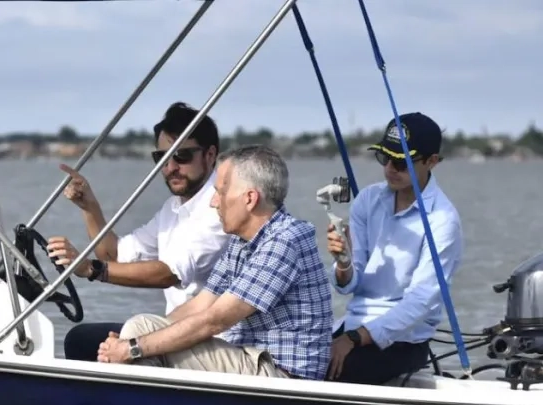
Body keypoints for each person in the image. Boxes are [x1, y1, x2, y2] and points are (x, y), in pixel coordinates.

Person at [95, 145, 334, 380]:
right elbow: (200, 305)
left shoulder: (284, 241)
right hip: (249, 359)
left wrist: (132, 347)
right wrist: (132, 343)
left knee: (141, 333)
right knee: (142, 333)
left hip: (283, 376)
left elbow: (215, 320)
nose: (213, 202)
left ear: (250, 199)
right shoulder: (242, 242)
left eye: (220, 192)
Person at [49, 102, 231, 361]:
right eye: (162, 158)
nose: (170, 168)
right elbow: (115, 256)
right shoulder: (173, 209)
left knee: (85, 342)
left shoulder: (221, 207)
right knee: (83, 340)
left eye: (182, 156)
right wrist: (89, 206)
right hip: (176, 328)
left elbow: (168, 273)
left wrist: (91, 269)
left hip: (213, 343)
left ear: (210, 155)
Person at [326, 112, 463, 385]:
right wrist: (343, 262)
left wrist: (355, 338)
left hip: (403, 340)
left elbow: (420, 303)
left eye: (402, 161)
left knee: (334, 372)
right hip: (351, 326)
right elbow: (350, 284)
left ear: (432, 161)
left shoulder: (443, 221)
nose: (390, 168)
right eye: (384, 158)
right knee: (291, 355)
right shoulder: (367, 200)